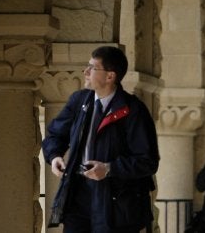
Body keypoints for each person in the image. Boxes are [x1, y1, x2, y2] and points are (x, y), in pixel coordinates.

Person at [42, 46, 160, 232]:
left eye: (92, 68)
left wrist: (109, 169)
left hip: (116, 203)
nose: (85, 72)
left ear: (110, 76)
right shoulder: (79, 100)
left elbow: (148, 161)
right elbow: (56, 134)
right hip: (78, 195)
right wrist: (54, 156)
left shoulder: (133, 110)